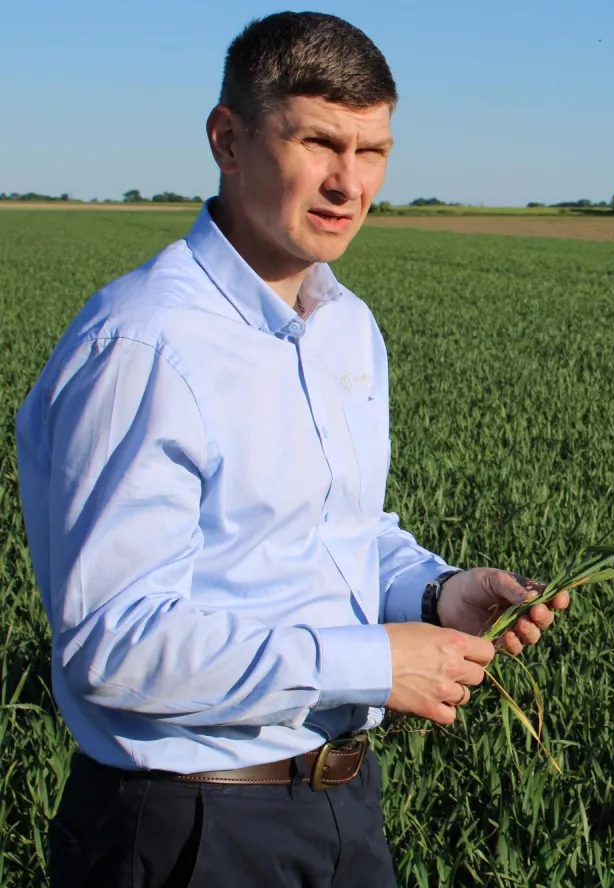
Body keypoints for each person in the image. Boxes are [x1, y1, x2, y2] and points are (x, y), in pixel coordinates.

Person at [14, 11, 569, 887]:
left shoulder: (346, 326)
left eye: (373, 151)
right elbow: (115, 644)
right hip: (184, 826)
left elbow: (336, 532)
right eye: (319, 142)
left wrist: (434, 591)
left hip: (341, 806)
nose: (349, 183)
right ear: (228, 140)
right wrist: (373, 662)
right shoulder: (145, 346)